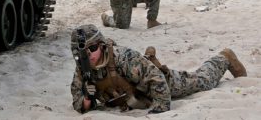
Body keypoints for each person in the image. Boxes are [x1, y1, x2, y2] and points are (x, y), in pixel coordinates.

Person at [69, 24, 247, 114]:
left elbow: (157, 79)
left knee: (204, 82)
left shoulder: (123, 58)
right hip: (136, 98)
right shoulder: (82, 71)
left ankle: (224, 57)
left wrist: (159, 109)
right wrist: (87, 98)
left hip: (161, 85)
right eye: (82, 53)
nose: (88, 55)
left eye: (92, 49)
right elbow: (79, 104)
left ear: (100, 45)